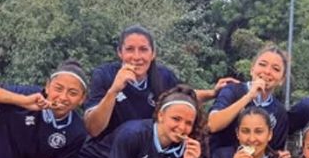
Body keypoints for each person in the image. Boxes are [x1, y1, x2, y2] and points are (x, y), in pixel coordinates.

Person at [83, 24, 234, 139]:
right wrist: (113, 91)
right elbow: (93, 129)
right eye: (130, 49)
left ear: (153, 53)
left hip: (145, 153)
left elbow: (183, 96)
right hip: (106, 152)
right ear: (120, 53)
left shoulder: (163, 76)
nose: (137, 57)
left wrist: (213, 93)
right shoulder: (104, 75)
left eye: (143, 49)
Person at [206, 46, 291, 158]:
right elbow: (212, 125)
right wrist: (248, 97)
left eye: (275, 69)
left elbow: (274, 151)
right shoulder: (232, 90)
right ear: (252, 69)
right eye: (262, 64)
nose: (267, 71)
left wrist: (281, 157)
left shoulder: (279, 112)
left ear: (282, 80)